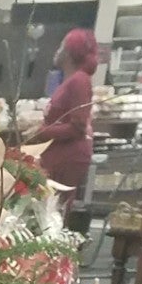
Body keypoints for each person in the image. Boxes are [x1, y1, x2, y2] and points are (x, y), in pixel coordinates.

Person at [35, 28, 98, 210]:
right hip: (59, 156)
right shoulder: (71, 80)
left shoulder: (79, 81)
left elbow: (77, 127)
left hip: (67, 159)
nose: (57, 50)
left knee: (54, 211)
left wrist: (42, 132)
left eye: (62, 46)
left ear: (70, 53)